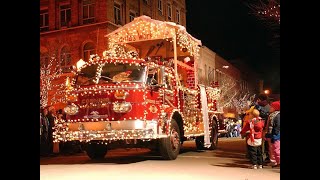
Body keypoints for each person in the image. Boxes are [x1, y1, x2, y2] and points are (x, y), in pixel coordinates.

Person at [254, 94, 271, 162]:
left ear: (263, 100)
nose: (258, 101)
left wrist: (259, 110)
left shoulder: (268, 107)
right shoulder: (258, 106)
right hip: (260, 127)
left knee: (265, 142)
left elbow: (266, 115)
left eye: (259, 100)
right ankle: (259, 156)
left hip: (265, 127)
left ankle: (266, 156)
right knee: (259, 142)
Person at [265, 101, 280, 168]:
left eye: (272, 107)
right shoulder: (271, 115)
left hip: (275, 134)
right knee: (272, 148)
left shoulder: (277, 115)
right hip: (271, 134)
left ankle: (278, 162)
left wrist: (275, 134)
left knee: (276, 148)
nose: (270, 108)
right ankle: (274, 161)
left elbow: (277, 125)